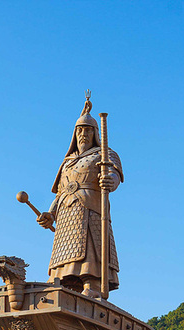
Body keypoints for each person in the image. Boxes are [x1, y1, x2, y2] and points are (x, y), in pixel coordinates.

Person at [35, 93, 124, 298]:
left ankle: (91, 284)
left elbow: (114, 173)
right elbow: (60, 192)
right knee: (65, 253)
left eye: (87, 129)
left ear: (95, 132)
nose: (83, 133)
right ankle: (62, 284)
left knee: (90, 246)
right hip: (66, 214)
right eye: (80, 130)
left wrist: (111, 181)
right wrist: (50, 213)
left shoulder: (104, 154)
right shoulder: (67, 161)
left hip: (90, 208)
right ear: (74, 134)